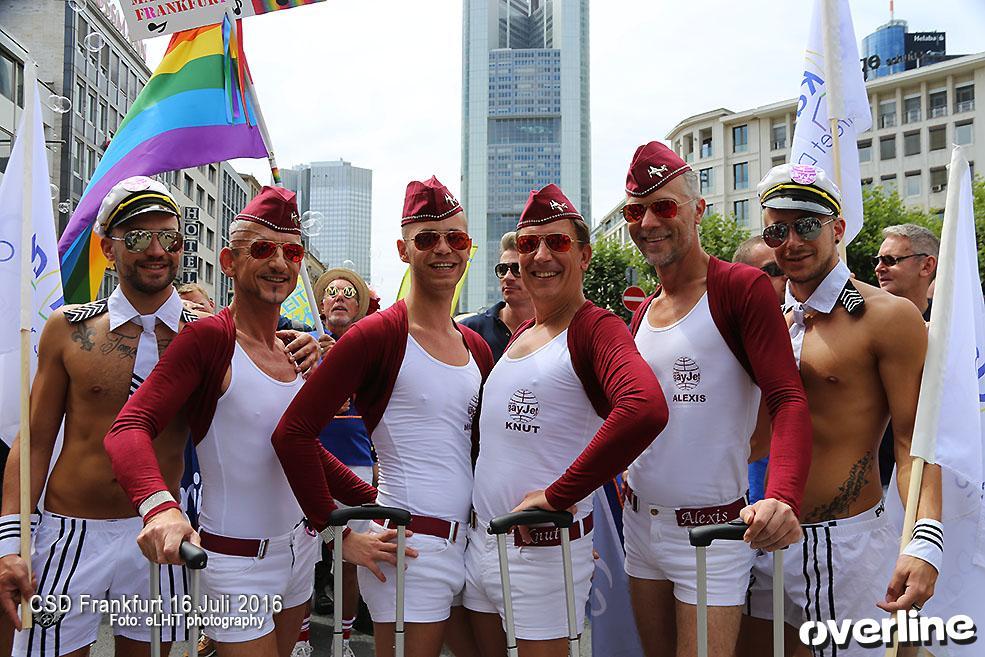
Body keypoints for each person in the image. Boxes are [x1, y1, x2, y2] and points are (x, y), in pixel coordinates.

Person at [102, 186, 404, 657]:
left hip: (300, 552)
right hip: (236, 563)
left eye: (291, 251)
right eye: (262, 249)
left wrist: (375, 503)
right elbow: (128, 427)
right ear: (228, 261)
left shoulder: (292, 349)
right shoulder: (209, 340)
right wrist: (159, 506)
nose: (280, 263)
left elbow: (299, 450)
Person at [272, 176, 495, 657]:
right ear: (403, 248)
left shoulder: (475, 345)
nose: (443, 250)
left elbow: (488, 452)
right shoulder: (376, 334)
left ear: (468, 246)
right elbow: (293, 434)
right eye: (427, 238)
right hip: (409, 554)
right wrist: (339, 530)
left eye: (454, 239)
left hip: (473, 544)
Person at [741, 164, 943, 657]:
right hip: (758, 540)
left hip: (849, 546)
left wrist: (924, 542)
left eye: (807, 225)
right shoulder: (757, 320)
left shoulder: (888, 317)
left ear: (838, 228)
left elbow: (914, 439)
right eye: (777, 229)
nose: (791, 241)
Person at [620, 142, 812, 657]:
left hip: (710, 531)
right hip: (640, 525)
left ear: (697, 210)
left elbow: (788, 399)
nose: (649, 222)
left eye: (664, 206)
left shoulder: (740, 289)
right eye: (636, 211)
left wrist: (782, 495)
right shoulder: (644, 313)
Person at [464, 184, 669, 657]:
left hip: (540, 552)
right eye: (528, 244)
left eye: (556, 242)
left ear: (584, 255)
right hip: (482, 546)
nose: (540, 255)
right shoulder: (523, 334)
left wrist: (561, 494)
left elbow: (645, 408)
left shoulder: (595, 327)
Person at [0, 176, 201, 657]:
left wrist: (307, 350)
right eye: (137, 238)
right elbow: (33, 441)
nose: (157, 250)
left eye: (169, 238)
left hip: (160, 535)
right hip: (71, 533)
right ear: (108, 248)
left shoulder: (210, 334)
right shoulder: (67, 329)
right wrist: (9, 545)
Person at [310, 267, 377, 653]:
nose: (338, 296)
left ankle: (343, 640)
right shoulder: (302, 344)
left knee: (351, 558)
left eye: (348, 292)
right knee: (302, 558)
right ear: (321, 305)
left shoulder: (371, 349)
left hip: (355, 466)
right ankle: (302, 640)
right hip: (308, 463)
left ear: (359, 305)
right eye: (332, 292)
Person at [874, 224, 940, 489]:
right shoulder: (861, 322)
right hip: (875, 483)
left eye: (890, 260)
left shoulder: (954, 330)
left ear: (926, 266)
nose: (879, 268)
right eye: (877, 260)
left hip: (935, 473)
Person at [731, 235, 788, 505]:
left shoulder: (810, 328)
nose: (786, 276)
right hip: (746, 496)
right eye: (774, 271)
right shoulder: (724, 339)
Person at [460, 231, 534, 361]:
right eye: (503, 269)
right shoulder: (468, 331)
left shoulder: (558, 332)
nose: (508, 277)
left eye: (517, 269)